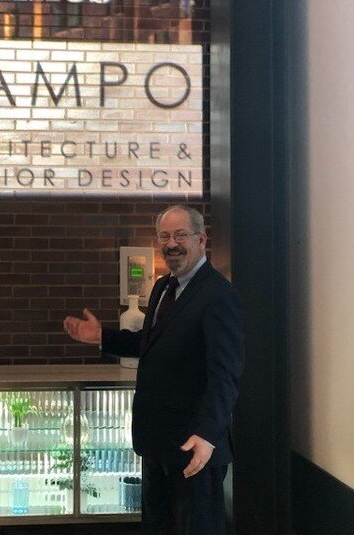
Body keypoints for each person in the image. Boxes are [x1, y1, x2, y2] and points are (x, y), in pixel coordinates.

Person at [63, 205, 243, 535]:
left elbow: (225, 375)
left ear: (201, 239)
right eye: (164, 236)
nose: (171, 243)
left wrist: (207, 435)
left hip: (194, 450)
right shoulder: (163, 287)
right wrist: (102, 336)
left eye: (180, 235)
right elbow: (150, 343)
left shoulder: (219, 295)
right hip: (157, 443)